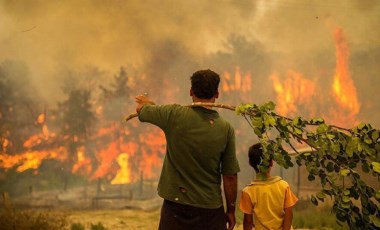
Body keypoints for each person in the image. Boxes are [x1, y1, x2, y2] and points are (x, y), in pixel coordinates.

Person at [135, 69, 240, 230]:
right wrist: (231, 210)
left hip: (176, 209)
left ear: (191, 91)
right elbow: (230, 176)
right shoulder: (226, 129)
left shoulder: (173, 115)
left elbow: (141, 110)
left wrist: (145, 103)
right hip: (210, 211)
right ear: (217, 94)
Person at [239, 143, 298, 230]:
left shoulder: (248, 192)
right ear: (271, 163)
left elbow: (248, 221)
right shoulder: (283, 186)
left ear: (250, 163)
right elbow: (289, 214)